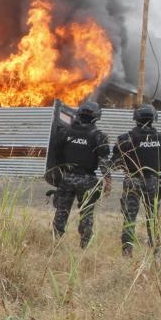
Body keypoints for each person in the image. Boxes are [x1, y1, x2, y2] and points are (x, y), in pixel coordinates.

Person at [111, 103, 161, 256]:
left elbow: (115, 164)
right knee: (153, 216)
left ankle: (127, 251)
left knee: (130, 215)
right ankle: (155, 249)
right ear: (154, 119)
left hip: (132, 181)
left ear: (136, 119)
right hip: (153, 181)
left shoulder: (125, 139)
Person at [48, 100, 111, 247]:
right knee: (87, 213)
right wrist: (108, 181)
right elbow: (103, 162)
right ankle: (84, 245)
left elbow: (55, 155)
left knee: (61, 212)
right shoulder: (99, 136)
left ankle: (55, 242)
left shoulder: (65, 132)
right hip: (88, 180)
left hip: (67, 178)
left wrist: (57, 177)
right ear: (96, 117)